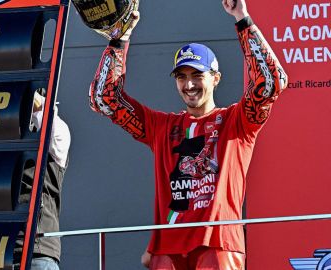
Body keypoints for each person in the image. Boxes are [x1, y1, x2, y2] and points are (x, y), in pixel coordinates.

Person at [88, 0, 287, 269]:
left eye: (197, 75)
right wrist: (119, 39)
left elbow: (273, 82)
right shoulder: (161, 127)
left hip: (217, 245)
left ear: (216, 78)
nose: (189, 84)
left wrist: (242, 18)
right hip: (166, 250)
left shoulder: (237, 122)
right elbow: (104, 99)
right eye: (181, 77)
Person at [14, 91, 71, 270]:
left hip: (38, 251)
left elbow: (46, 114)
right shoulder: (9, 140)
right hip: (3, 250)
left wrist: (23, 91)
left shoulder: (58, 132)